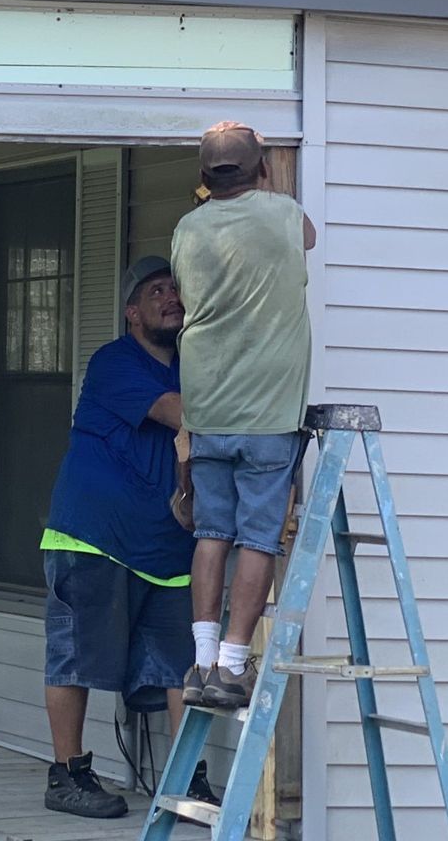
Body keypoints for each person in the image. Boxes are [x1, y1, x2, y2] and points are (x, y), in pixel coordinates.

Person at [38, 255, 216, 819]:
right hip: (94, 537)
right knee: (76, 658)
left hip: (168, 548)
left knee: (179, 666)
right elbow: (181, 413)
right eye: (157, 290)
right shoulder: (114, 361)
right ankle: (67, 775)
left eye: (177, 289)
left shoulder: (194, 364)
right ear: (132, 312)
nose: (171, 298)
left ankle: (187, 782)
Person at [171, 122, 316, 711]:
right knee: (256, 539)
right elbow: (308, 235)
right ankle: (232, 666)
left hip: (208, 405)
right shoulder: (283, 215)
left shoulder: (187, 228)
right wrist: (269, 185)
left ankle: (202, 663)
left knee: (211, 534)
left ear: (205, 176)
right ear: (261, 168)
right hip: (267, 411)